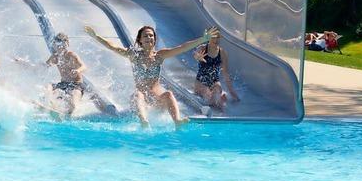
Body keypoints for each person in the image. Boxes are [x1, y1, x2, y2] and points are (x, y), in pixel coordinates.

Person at [85, 24, 218, 128]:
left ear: (154, 39)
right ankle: (144, 121)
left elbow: (182, 47)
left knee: (169, 94)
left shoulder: (159, 56)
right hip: (141, 100)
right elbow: (113, 47)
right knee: (138, 95)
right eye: (146, 36)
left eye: (151, 36)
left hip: (156, 99)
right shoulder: (134, 55)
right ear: (140, 40)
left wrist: (203, 39)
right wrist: (96, 36)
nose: (149, 38)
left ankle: (177, 121)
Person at [45, 32, 112, 117]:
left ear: (67, 44)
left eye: (62, 45)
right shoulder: (55, 57)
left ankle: (69, 111)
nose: (60, 48)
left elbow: (84, 66)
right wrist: (27, 65)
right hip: (63, 84)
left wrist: (78, 70)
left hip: (76, 85)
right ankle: (51, 104)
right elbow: (44, 66)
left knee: (73, 105)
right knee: (49, 86)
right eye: (58, 45)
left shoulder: (72, 55)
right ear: (54, 45)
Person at [193, 31, 240, 111]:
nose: (216, 40)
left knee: (217, 90)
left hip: (215, 81)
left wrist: (232, 92)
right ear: (209, 38)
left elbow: (225, 73)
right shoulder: (203, 48)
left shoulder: (222, 53)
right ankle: (216, 100)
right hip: (200, 81)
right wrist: (198, 57)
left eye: (217, 38)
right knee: (207, 93)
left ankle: (220, 101)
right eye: (213, 38)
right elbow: (195, 55)